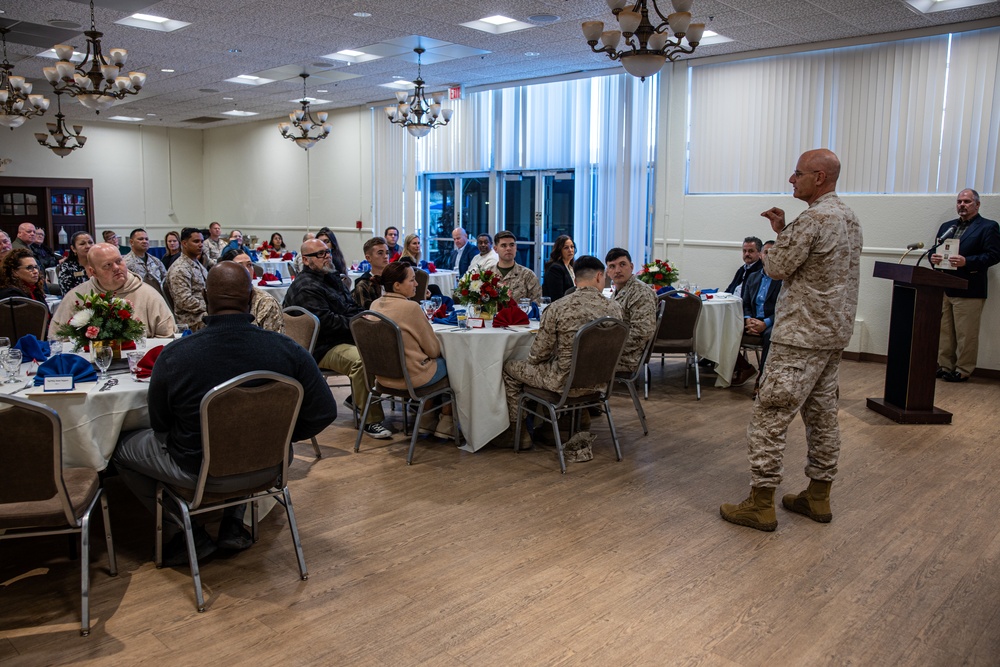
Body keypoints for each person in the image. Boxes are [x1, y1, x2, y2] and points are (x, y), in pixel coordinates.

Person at [112, 261, 337, 564]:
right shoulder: (288, 350)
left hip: (198, 469)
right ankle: (233, 521)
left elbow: (160, 423)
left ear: (205, 297)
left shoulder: (177, 355)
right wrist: (281, 437)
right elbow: (324, 411)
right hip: (269, 463)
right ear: (250, 299)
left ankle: (183, 529)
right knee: (244, 438)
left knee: (118, 447)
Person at [720, 148, 862, 532]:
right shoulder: (848, 218)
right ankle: (818, 494)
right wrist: (785, 232)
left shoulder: (813, 219)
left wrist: (781, 239)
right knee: (822, 417)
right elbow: (816, 261)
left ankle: (761, 502)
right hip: (831, 336)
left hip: (799, 338)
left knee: (769, 415)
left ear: (819, 177)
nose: (791, 179)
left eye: (797, 173)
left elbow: (778, 267)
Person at [502, 255, 623, 446]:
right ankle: (578, 417)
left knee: (509, 368)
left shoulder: (558, 308)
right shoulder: (615, 308)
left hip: (563, 382)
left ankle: (518, 432)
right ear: (600, 276)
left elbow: (537, 355)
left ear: (575, 280)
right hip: (601, 382)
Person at [283, 238, 390, 439]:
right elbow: (325, 323)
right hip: (319, 347)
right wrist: (358, 323)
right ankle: (370, 420)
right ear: (306, 260)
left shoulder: (330, 278)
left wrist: (363, 316)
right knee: (362, 359)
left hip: (338, 338)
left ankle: (356, 398)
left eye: (328, 252)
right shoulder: (305, 286)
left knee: (383, 345)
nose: (327, 257)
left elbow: (350, 306)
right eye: (320, 254)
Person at [370, 261, 455, 438]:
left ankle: (426, 417)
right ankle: (446, 421)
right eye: (412, 280)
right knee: (455, 365)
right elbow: (433, 350)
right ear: (397, 285)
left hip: (382, 378)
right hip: (410, 378)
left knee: (432, 363)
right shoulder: (411, 308)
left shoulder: (374, 305)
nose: (417, 284)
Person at [930, 188, 1000, 383]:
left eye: (967, 202)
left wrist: (966, 261)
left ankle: (963, 369)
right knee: (945, 331)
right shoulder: (948, 226)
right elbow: (934, 249)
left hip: (970, 288)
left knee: (966, 334)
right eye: (959, 201)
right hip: (945, 286)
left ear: (977, 205)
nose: (962, 205)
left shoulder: (988, 226)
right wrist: (933, 258)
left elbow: (994, 255)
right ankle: (945, 366)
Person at [49, 243, 175, 338]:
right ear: (93, 272)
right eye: (107, 265)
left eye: (119, 261)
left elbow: (168, 337)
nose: (116, 268)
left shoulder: (149, 295)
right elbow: (57, 338)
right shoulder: (77, 296)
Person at [605, 248, 657, 373]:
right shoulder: (619, 291)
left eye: (622, 264)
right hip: (616, 348)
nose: (617, 270)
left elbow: (642, 333)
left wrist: (607, 346)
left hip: (628, 356)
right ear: (607, 272)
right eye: (612, 266)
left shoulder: (640, 292)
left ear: (632, 266)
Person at [741, 240, 781, 384]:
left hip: (771, 321)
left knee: (771, 334)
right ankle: (743, 367)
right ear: (761, 255)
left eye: (773, 253)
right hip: (752, 320)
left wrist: (765, 323)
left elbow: (784, 308)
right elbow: (745, 303)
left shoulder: (783, 280)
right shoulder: (753, 277)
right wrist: (747, 319)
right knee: (727, 328)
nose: (769, 256)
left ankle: (763, 378)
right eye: (766, 252)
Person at [165, 227, 209, 332]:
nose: (201, 244)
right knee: (225, 321)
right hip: (191, 319)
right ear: (184, 244)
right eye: (196, 241)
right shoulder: (180, 269)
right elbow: (184, 301)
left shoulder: (196, 263)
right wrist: (210, 307)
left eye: (202, 241)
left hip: (203, 312)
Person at [232, 251, 284, 333]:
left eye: (249, 265)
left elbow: (275, 341)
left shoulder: (266, 302)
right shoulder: (216, 300)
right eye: (239, 266)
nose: (246, 270)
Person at [492, 231, 542, 303]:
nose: (508, 248)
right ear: (496, 249)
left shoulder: (528, 275)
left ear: (516, 248)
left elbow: (537, 305)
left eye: (512, 245)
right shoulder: (487, 275)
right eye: (503, 245)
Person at [352, 236, 389, 309]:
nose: (386, 256)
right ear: (368, 258)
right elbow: (365, 314)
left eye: (387, 253)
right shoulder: (363, 285)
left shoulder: (393, 279)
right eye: (380, 253)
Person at [543, 235, 576, 302]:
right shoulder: (555, 269)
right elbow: (557, 297)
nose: (570, 250)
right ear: (559, 250)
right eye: (566, 248)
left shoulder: (572, 267)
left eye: (572, 247)